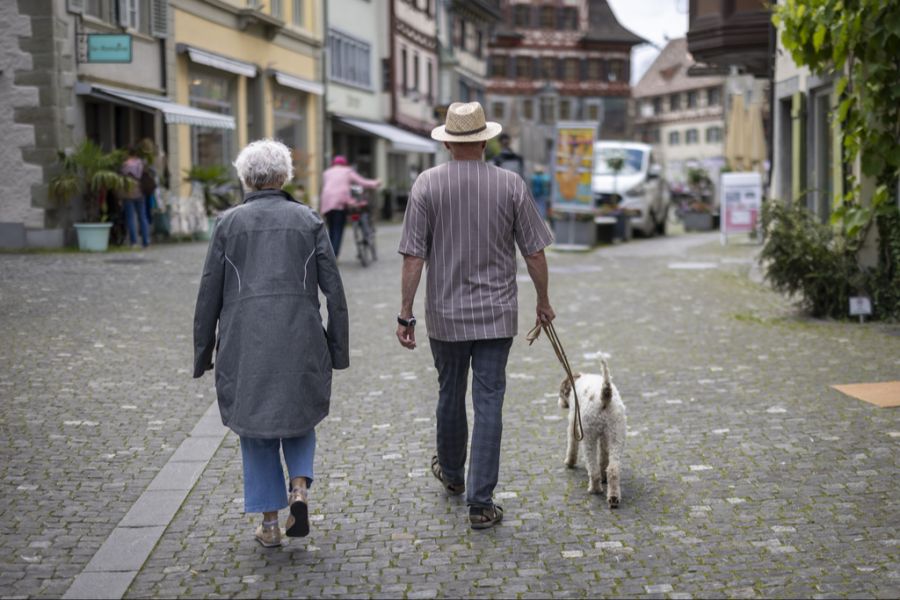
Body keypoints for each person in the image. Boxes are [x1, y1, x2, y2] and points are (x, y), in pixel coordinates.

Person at [396, 102, 556, 530]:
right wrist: (543, 301)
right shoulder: (511, 185)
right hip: (496, 314)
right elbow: (535, 251)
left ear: (447, 141)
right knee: (489, 403)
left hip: (446, 315)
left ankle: (452, 475)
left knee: (450, 393)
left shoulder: (427, 185)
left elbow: (414, 255)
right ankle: (481, 503)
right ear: (485, 140)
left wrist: (406, 313)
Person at [193, 139, 349, 548]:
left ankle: (268, 524)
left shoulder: (228, 223)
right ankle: (299, 487)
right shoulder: (309, 219)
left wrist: (202, 352)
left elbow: (209, 290)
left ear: (246, 177)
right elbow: (333, 288)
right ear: (284, 177)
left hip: (246, 340)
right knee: (300, 415)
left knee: (256, 427)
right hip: (301, 334)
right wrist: (338, 348)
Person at [320, 155, 380, 258]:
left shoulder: (327, 173)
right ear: (344, 164)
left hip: (327, 203)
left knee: (331, 229)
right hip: (340, 203)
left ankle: (330, 253)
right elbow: (362, 182)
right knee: (338, 229)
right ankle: (334, 256)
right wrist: (376, 183)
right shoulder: (347, 171)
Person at [120, 147, 150, 248]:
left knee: (131, 218)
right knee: (142, 217)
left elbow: (122, 177)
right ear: (136, 154)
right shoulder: (140, 163)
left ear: (128, 154)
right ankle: (146, 241)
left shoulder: (125, 164)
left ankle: (134, 242)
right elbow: (142, 175)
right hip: (140, 192)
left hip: (128, 193)